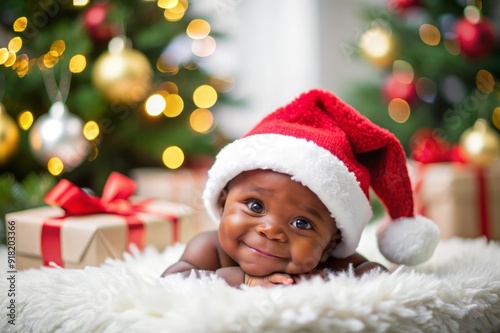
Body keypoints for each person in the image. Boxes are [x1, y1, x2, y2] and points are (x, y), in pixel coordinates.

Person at [162, 89, 440, 287]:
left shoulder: (325, 261)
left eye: (302, 223)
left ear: (332, 243)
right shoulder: (209, 248)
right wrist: (242, 280)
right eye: (255, 206)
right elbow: (173, 281)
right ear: (223, 202)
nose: (270, 229)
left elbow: (375, 273)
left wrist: (327, 279)